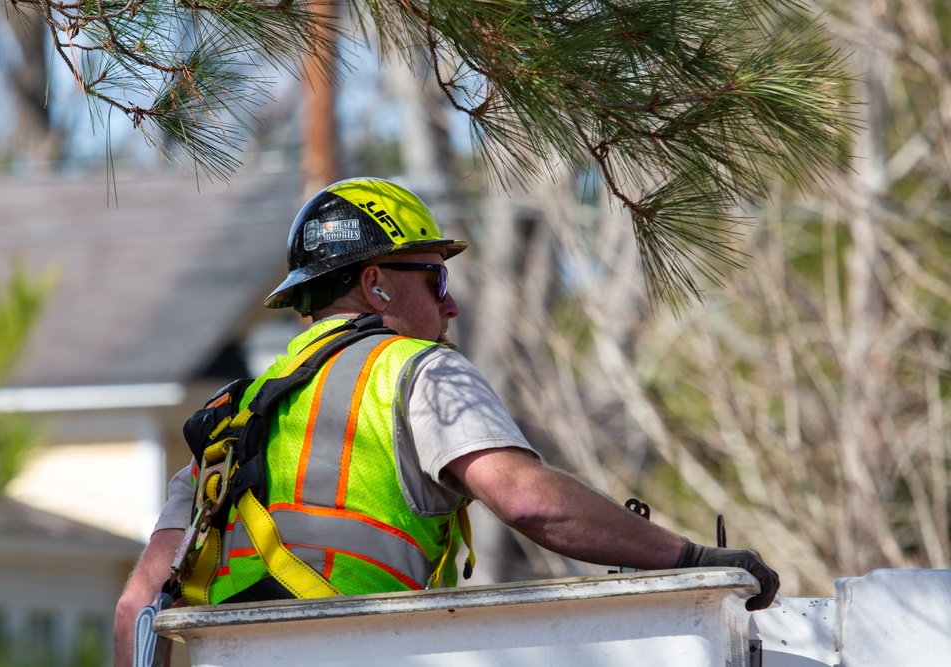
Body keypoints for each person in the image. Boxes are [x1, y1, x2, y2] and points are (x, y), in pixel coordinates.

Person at [114, 177, 779, 665]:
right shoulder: (415, 369)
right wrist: (691, 560)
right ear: (376, 284)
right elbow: (525, 499)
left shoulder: (229, 417)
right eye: (434, 277)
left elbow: (137, 603)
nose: (451, 303)